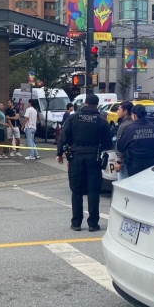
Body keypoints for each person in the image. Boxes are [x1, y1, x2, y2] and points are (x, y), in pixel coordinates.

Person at [56, 94, 112, 232]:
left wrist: (59, 153)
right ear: (96, 105)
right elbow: (107, 143)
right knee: (93, 191)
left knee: (77, 191)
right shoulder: (101, 120)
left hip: (76, 157)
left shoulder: (73, 118)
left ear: (85, 103)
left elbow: (63, 136)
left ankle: (76, 223)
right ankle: (93, 223)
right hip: (94, 157)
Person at [116, 105, 154, 177]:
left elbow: (120, 147)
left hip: (134, 163)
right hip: (151, 162)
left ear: (134, 115)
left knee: (135, 185)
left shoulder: (129, 129)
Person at [112, 100, 134, 180]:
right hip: (131, 159)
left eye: (119, 110)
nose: (117, 112)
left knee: (123, 180)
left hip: (124, 159)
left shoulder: (125, 125)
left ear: (125, 111)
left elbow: (122, 143)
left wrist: (119, 160)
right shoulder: (132, 122)